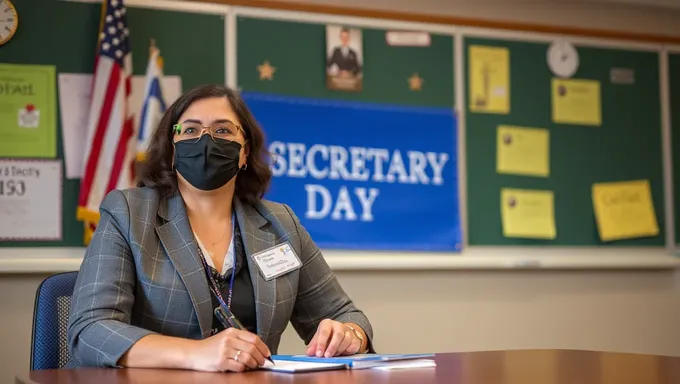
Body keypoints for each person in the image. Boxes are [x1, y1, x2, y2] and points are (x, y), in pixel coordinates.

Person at [66, 84, 374, 373]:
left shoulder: (281, 224)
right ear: (172, 150)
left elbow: (347, 316)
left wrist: (348, 334)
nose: (205, 140)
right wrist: (197, 354)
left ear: (243, 153)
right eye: (190, 130)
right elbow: (91, 330)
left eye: (222, 130)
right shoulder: (129, 213)